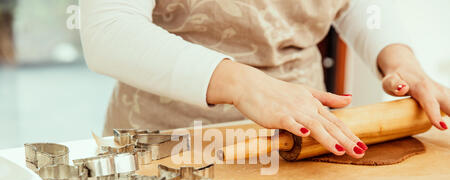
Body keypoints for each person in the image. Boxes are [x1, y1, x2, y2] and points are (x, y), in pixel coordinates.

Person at [80, 0, 449, 159]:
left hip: (302, 137)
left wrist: (400, 60)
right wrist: (243, 84)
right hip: (169, 142)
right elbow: (108, 29)